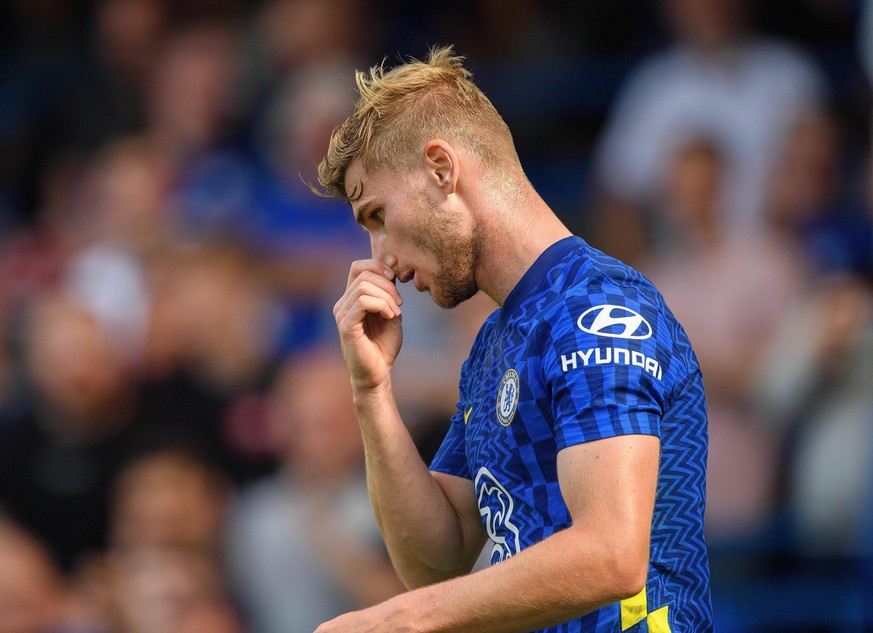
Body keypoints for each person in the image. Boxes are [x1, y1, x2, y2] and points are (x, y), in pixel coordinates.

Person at [314, 46, 712, 632]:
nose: (380, 260)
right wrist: (371, 390)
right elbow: (435, 561)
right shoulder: (495, 342)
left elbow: (611, 556)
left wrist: (399, 621)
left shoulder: (596, 310)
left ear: (441, 170)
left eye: (377, 216)